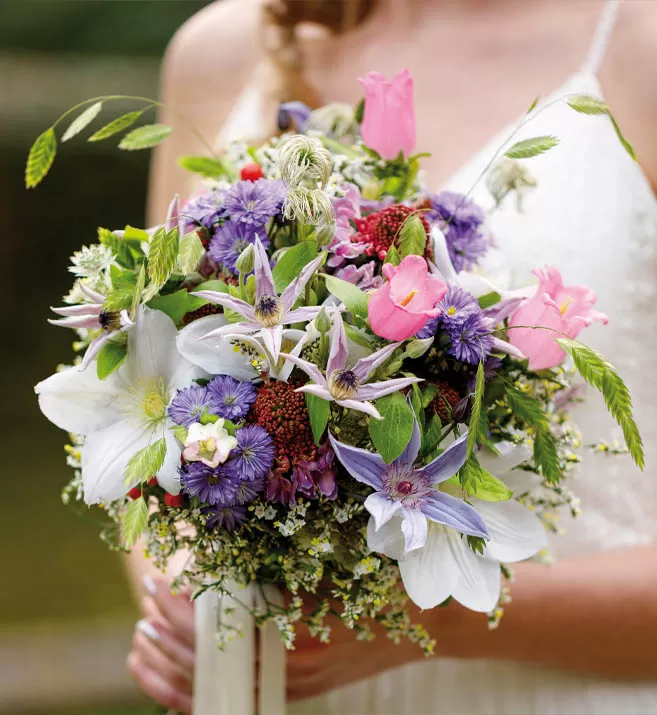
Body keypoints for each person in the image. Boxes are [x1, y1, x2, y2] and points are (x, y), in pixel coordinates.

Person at [127, 1, 657, 713]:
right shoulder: (221, 49)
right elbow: (148, 395)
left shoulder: (638, 43)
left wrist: (422, 619)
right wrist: (197, 602)